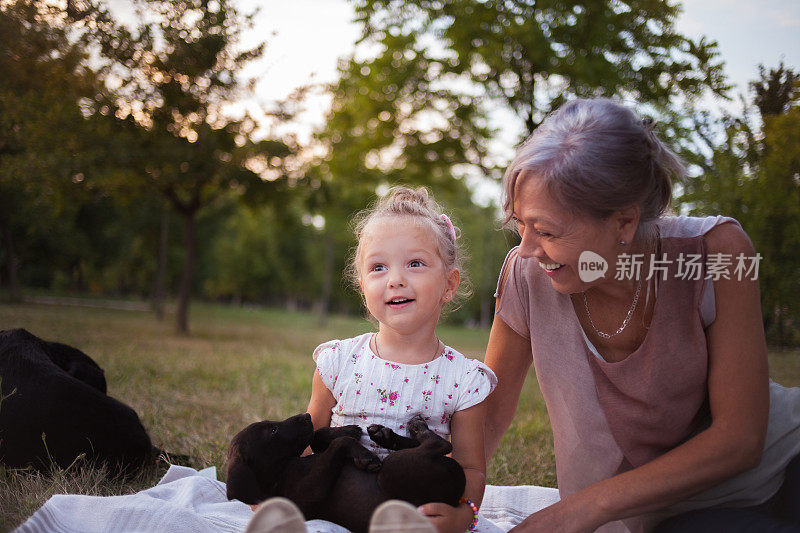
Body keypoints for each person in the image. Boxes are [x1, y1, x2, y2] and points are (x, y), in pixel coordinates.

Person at [483, 98, 800, 532]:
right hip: (664, 519)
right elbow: (489, 417)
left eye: (546, 231)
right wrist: (447, 494)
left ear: (623, 222)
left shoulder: (718, 252)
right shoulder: (525, 276)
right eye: (520, 224)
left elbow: (740, 440)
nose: (527, 249)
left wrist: (581, 507)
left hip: (780, 470)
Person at [305, 186, 497, 533]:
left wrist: (464, 516)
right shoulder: (339, 362)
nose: (395, 280)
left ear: (448, 285)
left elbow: (470, 468)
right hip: (336, 505)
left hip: (413, 516)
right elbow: (308, 441)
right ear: (362, 284)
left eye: (415, 263)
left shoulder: (463, 379)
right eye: (378, 267)